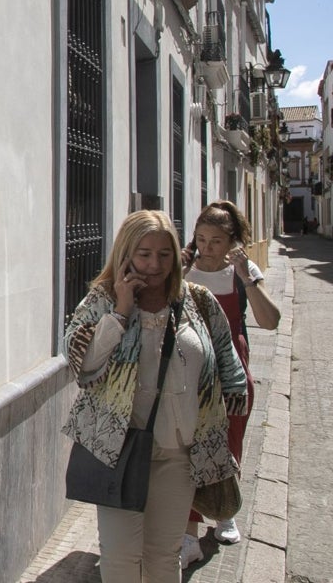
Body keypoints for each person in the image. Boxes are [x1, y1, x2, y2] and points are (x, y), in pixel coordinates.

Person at [64, 210, 248, 582]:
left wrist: (233, 392)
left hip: (179, 453)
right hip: (119, 450)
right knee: (120, 559)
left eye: (164, 254)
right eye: (144, 254)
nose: (154, 264)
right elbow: (82, 365)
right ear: (126, 253)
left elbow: (224, 352)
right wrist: (120, 311)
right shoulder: (103, 298)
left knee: (165, 557)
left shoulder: (197, 300)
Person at [178, 201, 281, 564]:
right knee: (189, 445)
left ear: (232, 241)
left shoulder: (243, 272)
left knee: (230, 437)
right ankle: (188, 534)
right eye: (202, 239)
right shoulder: (185, 269)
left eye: (216, 241)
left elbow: (270, 321)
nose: (207, 247)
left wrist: (247, 275)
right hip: (191, 369)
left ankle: (225, 511)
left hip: (233, 371)